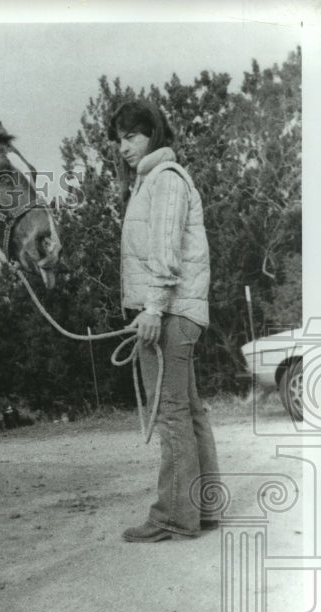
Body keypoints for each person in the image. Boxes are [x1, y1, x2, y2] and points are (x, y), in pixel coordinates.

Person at [107, 99, 220, 543]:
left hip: (171, 312)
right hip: (176, 311)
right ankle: (203, 509)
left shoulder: (164, 180)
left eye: (131, 137)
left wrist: (152, 308)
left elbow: (165, 254)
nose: (123, 147)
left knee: (171, 415)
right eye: (119, 139)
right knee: (189, 412)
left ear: (153, 135)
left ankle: (174, 517)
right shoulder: (151, 181)